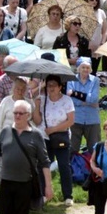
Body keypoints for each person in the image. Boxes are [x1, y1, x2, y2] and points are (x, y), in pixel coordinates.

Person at [32, 75, 75, 205]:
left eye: (53, 85)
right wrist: (37, 107)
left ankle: (68, 195)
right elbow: (37, 121)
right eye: (49, 85)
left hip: (61, 136)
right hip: (45, 137)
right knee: (44, 165)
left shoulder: (66, 100)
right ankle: (44, 194)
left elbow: (70, 121)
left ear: (60, 87)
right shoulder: (43, 100)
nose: (51, 88)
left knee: (63, 165)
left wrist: (54, 129)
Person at [67, 58, 101, 153]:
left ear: (91, 69)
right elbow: (70, 100)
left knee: (94, 148)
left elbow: (94, 98)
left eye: (87, 67)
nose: (85, 70)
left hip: (92, 119)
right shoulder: (71, 80)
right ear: (78, 68)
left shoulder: (95, 80)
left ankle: (94, 167)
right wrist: (88, 102)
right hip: (76, 118)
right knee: (72, 148)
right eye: (83, 67)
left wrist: (75, 94)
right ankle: (73, 167)